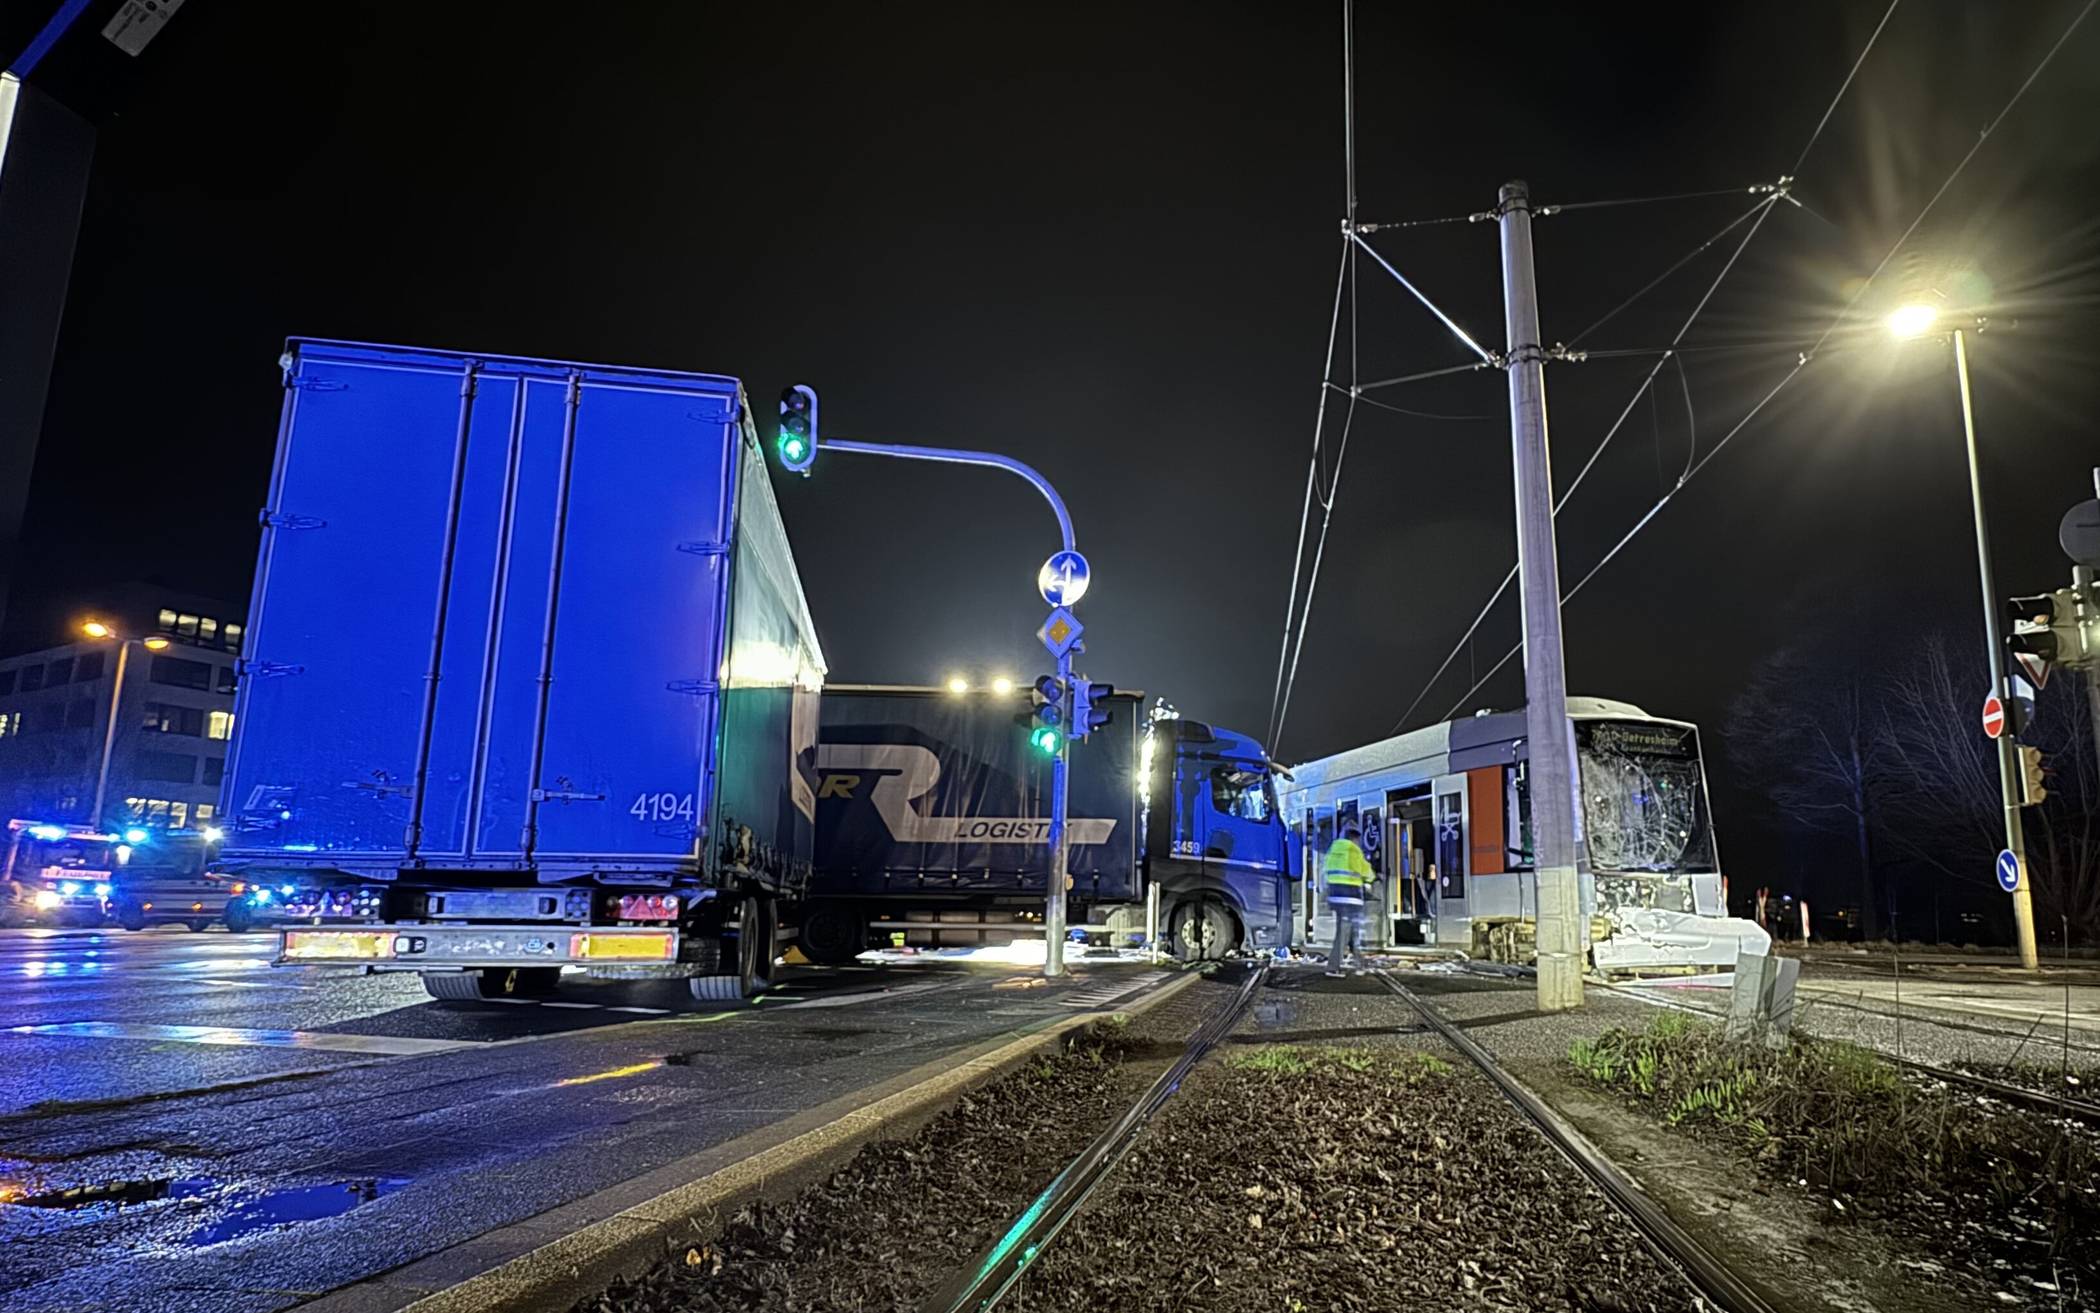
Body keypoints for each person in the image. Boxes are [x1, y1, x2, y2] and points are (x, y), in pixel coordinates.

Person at [1323, 820, 1373, 976]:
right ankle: (1333, 967)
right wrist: (1372, 877)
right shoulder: (1353, 850)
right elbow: (1365, 871)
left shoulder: (1333, 849)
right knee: (1344, 932)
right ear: (1354, 838)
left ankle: (1360, 964)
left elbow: (1326, 870)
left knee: (1352, 931)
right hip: (1350, 897)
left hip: (1336, 897)